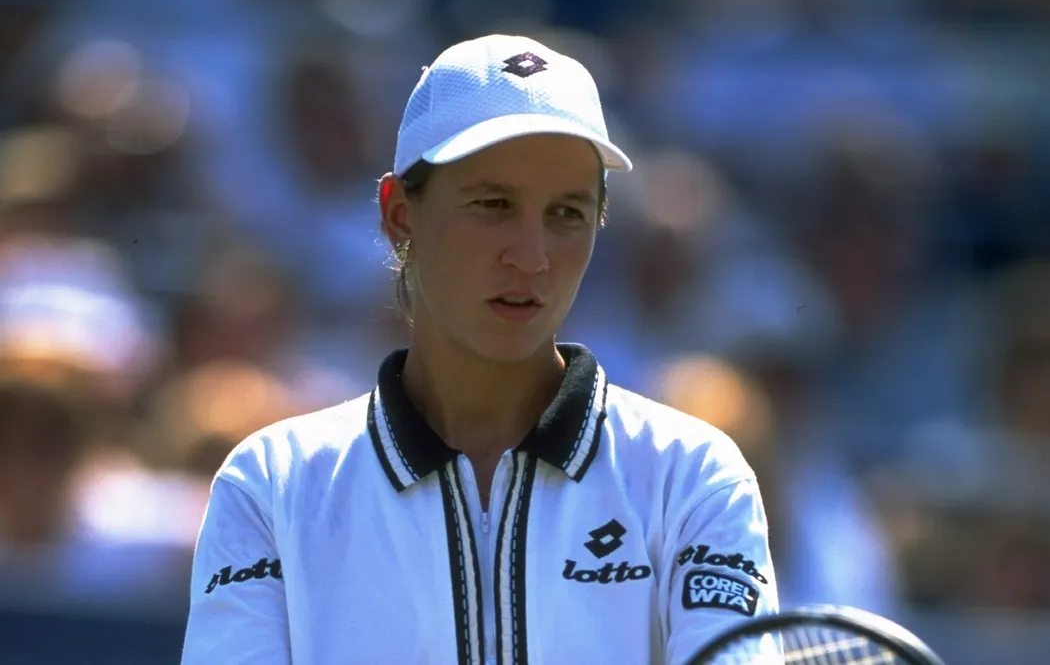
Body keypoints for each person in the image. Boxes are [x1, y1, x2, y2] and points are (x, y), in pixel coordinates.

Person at [180, 34, 778, 665]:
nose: (532, 256)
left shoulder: (695, 476)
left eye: (567, 214)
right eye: (493, 205)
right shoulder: (270, 485)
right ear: (400, 216)